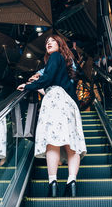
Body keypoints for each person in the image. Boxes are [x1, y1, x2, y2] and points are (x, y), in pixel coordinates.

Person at [17, 34, 87, 197]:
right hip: (67, 103)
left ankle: (53, 183)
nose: (48, 43)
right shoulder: (64, 64)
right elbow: (50, 85)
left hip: (55, 102)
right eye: (46, 42)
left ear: (60, 44)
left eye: (52, 41)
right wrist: (34, 86)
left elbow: (47, 80)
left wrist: (28, 86)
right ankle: (71, 183)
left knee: (52, 142)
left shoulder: (56, 56)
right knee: (72, 143)